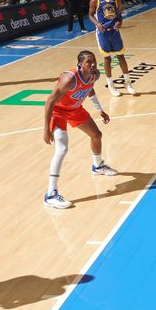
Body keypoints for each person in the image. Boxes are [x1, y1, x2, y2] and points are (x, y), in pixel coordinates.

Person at [43, 50, 119, 209]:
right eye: (88, 62)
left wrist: (100, 110)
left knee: (96, 135)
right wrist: (46, 129)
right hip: (58, 112)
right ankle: (51, 194)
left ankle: (97, 166)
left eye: (94, 61)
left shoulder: (94, 75)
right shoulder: (68, 79)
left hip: (75, 109)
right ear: (80, 64)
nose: (92, 64)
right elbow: (49, 102)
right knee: (62, 149)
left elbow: (89, 89)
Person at [89, 0, 135, 97]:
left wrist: (120, 22)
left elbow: (120, 16)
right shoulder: (95, 0)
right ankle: (110, 85)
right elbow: (90, 15)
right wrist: (97, 24)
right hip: (103, 33)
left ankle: (128, 83)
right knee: (107, 59)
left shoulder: (116, 0)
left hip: (114, 32)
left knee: (121, 57)